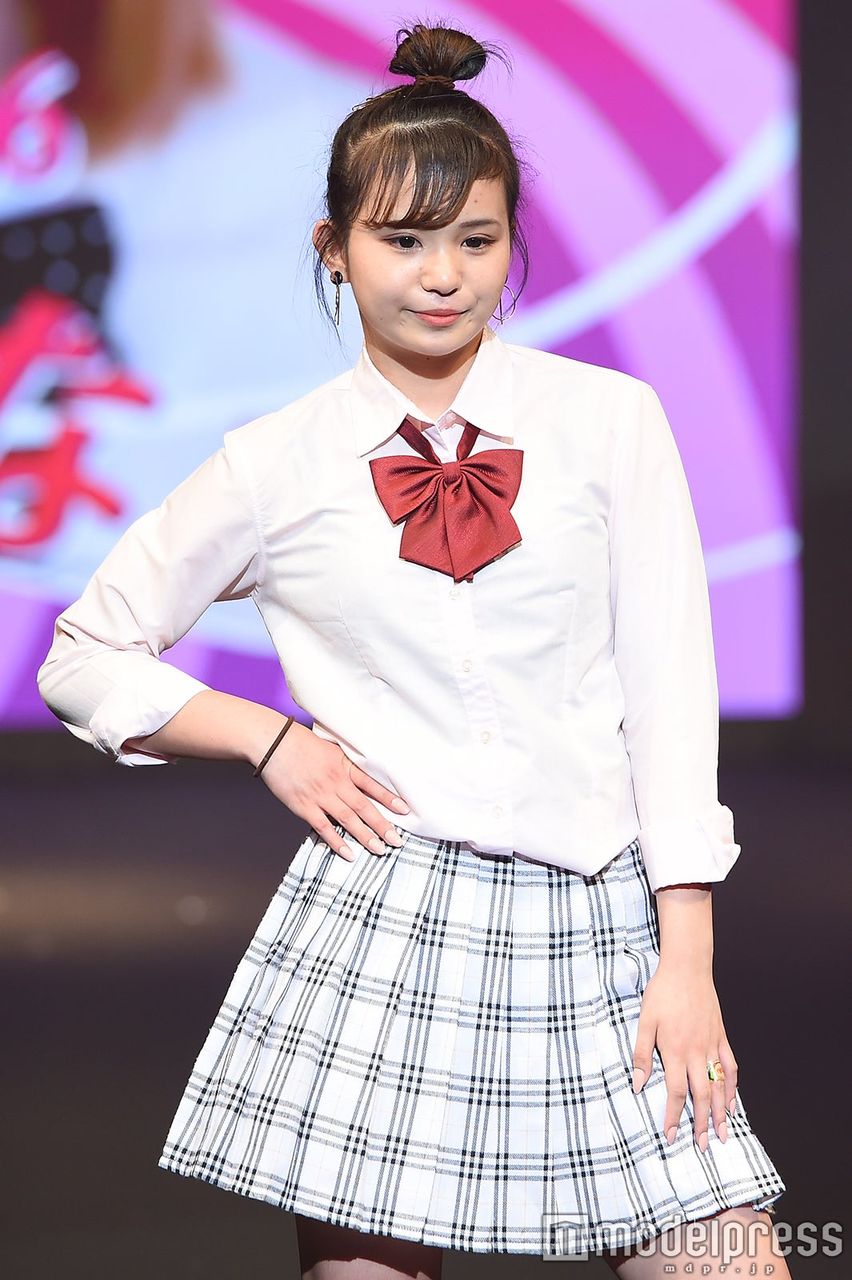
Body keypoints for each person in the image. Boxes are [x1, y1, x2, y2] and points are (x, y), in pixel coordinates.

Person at [36, 19, 791, 1279]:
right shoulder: (276, 462)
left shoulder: (608, 419)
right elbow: (84, 652)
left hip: (604, 915)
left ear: (512, 245)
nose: (442, 275)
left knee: (723, 1256)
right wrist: (270, 740)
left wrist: (689, 955)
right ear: (333, 247)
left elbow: (672, 693)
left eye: (476, 240)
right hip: (388, 923)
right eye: (401, 239)